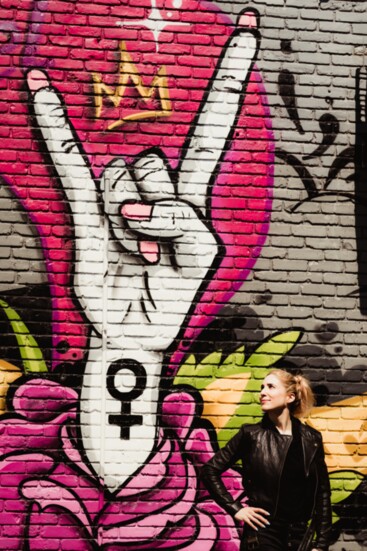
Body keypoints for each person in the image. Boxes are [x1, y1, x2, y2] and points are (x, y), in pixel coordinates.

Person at [201, 369, 332, 551]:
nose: (263, 392)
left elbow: (322, 493)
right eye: (262, 387)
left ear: (290, 397)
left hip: (299, 536)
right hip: (262, 533)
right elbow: (209, 470)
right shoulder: (251, 435)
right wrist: (236, 508)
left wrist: (321, 544)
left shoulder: (311, 440)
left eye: (271, 387)